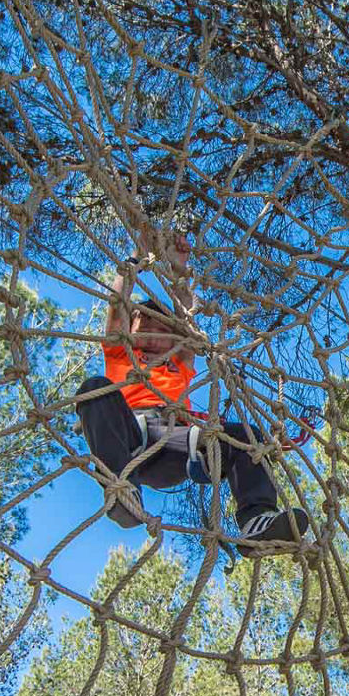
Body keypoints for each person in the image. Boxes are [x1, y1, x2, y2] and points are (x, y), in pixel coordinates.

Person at [76, 233, 310, 557]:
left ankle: (257, 521)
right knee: (94, 389)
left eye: (163, 327)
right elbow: (117, 306)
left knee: (246, 436)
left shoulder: (178, 363)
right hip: (130, 438)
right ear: (130, 327)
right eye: (145, 321)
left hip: (176, 441)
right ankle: (123, 490)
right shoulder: (120, 353)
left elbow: (186, 317)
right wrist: (134, 260)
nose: (154, 330)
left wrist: (179, 268)